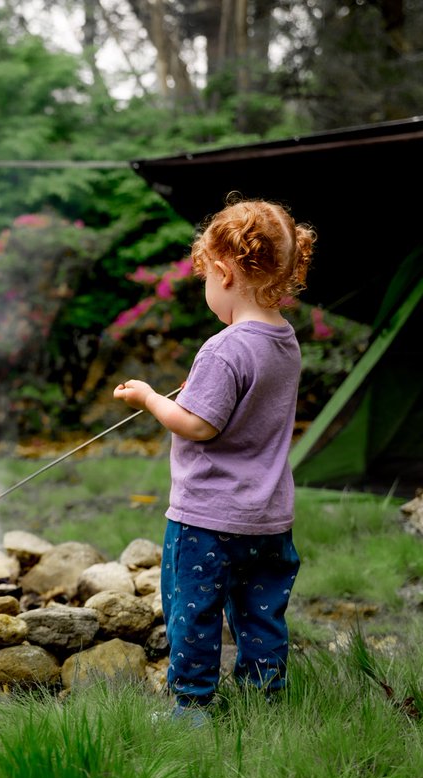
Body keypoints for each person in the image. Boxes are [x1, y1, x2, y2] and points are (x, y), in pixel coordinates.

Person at [114, 195, 315, 723]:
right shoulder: (284, 340)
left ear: (223, 273)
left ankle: (192, 704)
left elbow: (200, 425)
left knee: (193, 613)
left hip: (207, 518)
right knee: (262, 613)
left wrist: (151, 399)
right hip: (268, 519)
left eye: (205, 277)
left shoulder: (224, 348)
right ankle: (263, 696)